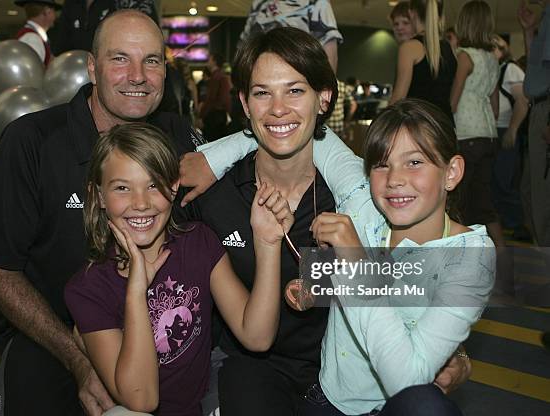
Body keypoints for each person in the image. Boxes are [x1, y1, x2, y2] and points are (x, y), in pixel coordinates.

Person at [179, 26, 472, 415]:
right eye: (262, 92)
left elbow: (417, 270)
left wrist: (451, 348)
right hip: (257, 369)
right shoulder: (212, 196)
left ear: (324, 99)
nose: (278, 107)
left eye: (295, 90)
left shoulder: (359, 194)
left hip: (354, 372)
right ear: (245, 105)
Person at [0, 10, 203, 415]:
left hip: (164, 335)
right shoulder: (33, 141)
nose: (138, 75)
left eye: (152, 61)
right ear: (92, 67)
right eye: (120, 58)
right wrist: (79, 359)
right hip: (53, 340)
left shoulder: (180, 137)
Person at [65, 122, 292, 414]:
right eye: (122, 188)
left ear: (173, 188)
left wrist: (268, 243)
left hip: (202, 402)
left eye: (153, 185)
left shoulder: (197, 242)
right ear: (98, 196)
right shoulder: (87, 290)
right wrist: (136, 291)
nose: (141, 203)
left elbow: (256, 337)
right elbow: (142, 400)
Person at [307, 99, 494, 415]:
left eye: (415, 162)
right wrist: (212, 160)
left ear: (451, 172)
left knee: (426, 406)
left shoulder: (469, 257)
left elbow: (406, 384)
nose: (394, 178)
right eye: (381, 163)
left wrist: (356, 263)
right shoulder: (363, 200)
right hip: (329, 399)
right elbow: (299, 128)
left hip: (395, 407)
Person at [450, 1, 503, 251]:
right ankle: (502, 258)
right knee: (484, 202)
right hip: (489, 134)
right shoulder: (493, 58)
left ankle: (465, 257)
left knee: (460, 203)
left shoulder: (465, 56)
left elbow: (453, 100)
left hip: (467, 134)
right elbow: (495, 105)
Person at [389, 0, 457, 123]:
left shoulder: (409, 48)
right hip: (446, 127)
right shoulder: (449, 48)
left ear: (411, 13)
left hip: (420, 128)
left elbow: (398, 100)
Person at [491, 34, 530, 240]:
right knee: (495, 180)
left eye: (495, 47)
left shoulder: (510, 69)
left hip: (504, 130)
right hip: (491, 131)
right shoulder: (490, 69)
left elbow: (522, 103)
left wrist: (512, 130)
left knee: (505, 179)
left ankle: (516, 224)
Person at [518, 0, 550, 248]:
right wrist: (529, 31)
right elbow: (536, 69)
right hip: (539, 106)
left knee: (542, 198)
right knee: (531, 193)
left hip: (546, 109)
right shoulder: (545, 18)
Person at [239, 0, 343, 73]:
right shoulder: (258, 2)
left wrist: (325, 90)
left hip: (299, 75)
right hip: (262, 76)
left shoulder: (315, 1)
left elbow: (329, 45)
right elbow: (244, 45)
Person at [49, 0, 115, 55]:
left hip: (102, 61)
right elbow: (60, 40)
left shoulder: (113, 3)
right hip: (73, 62)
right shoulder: (71, 4)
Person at [15, 0, 61, 66]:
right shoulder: (32, 39)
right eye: (54, 11)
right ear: (47, 11)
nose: (55, 16)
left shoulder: (33, 36)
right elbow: (32, 72)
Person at [199, 53, 232, 141]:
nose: (207, 61)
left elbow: (210, 99)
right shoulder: (222, 76)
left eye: (209, 59)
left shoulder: (216, 77)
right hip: (220, 115)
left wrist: (202, 115)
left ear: (214, 62)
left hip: (214, 117)